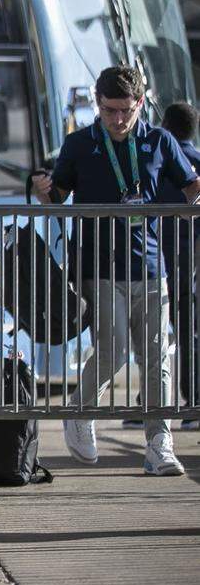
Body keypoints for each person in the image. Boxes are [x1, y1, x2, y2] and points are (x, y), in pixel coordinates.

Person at [32, 66, 200, 476]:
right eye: (110, 111)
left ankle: (160, 444)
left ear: (140, 104)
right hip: (100, 267)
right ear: (98, 105)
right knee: (114, 351)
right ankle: (80, 412)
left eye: (126, 110)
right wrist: (44, 193)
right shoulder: (80, 143)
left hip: (151, 264)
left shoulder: (159, 140)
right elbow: (58, 196)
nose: (118, 119)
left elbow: (191, 185)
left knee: (157, 357)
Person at [120, 102, 200, 430]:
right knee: (187, 332)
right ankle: (192, 402)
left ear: (165, 124)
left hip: (151, 258)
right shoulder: (194, 163)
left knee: (148, 335)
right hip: (186, 261)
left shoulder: (155, 155)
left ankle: (148, 403)